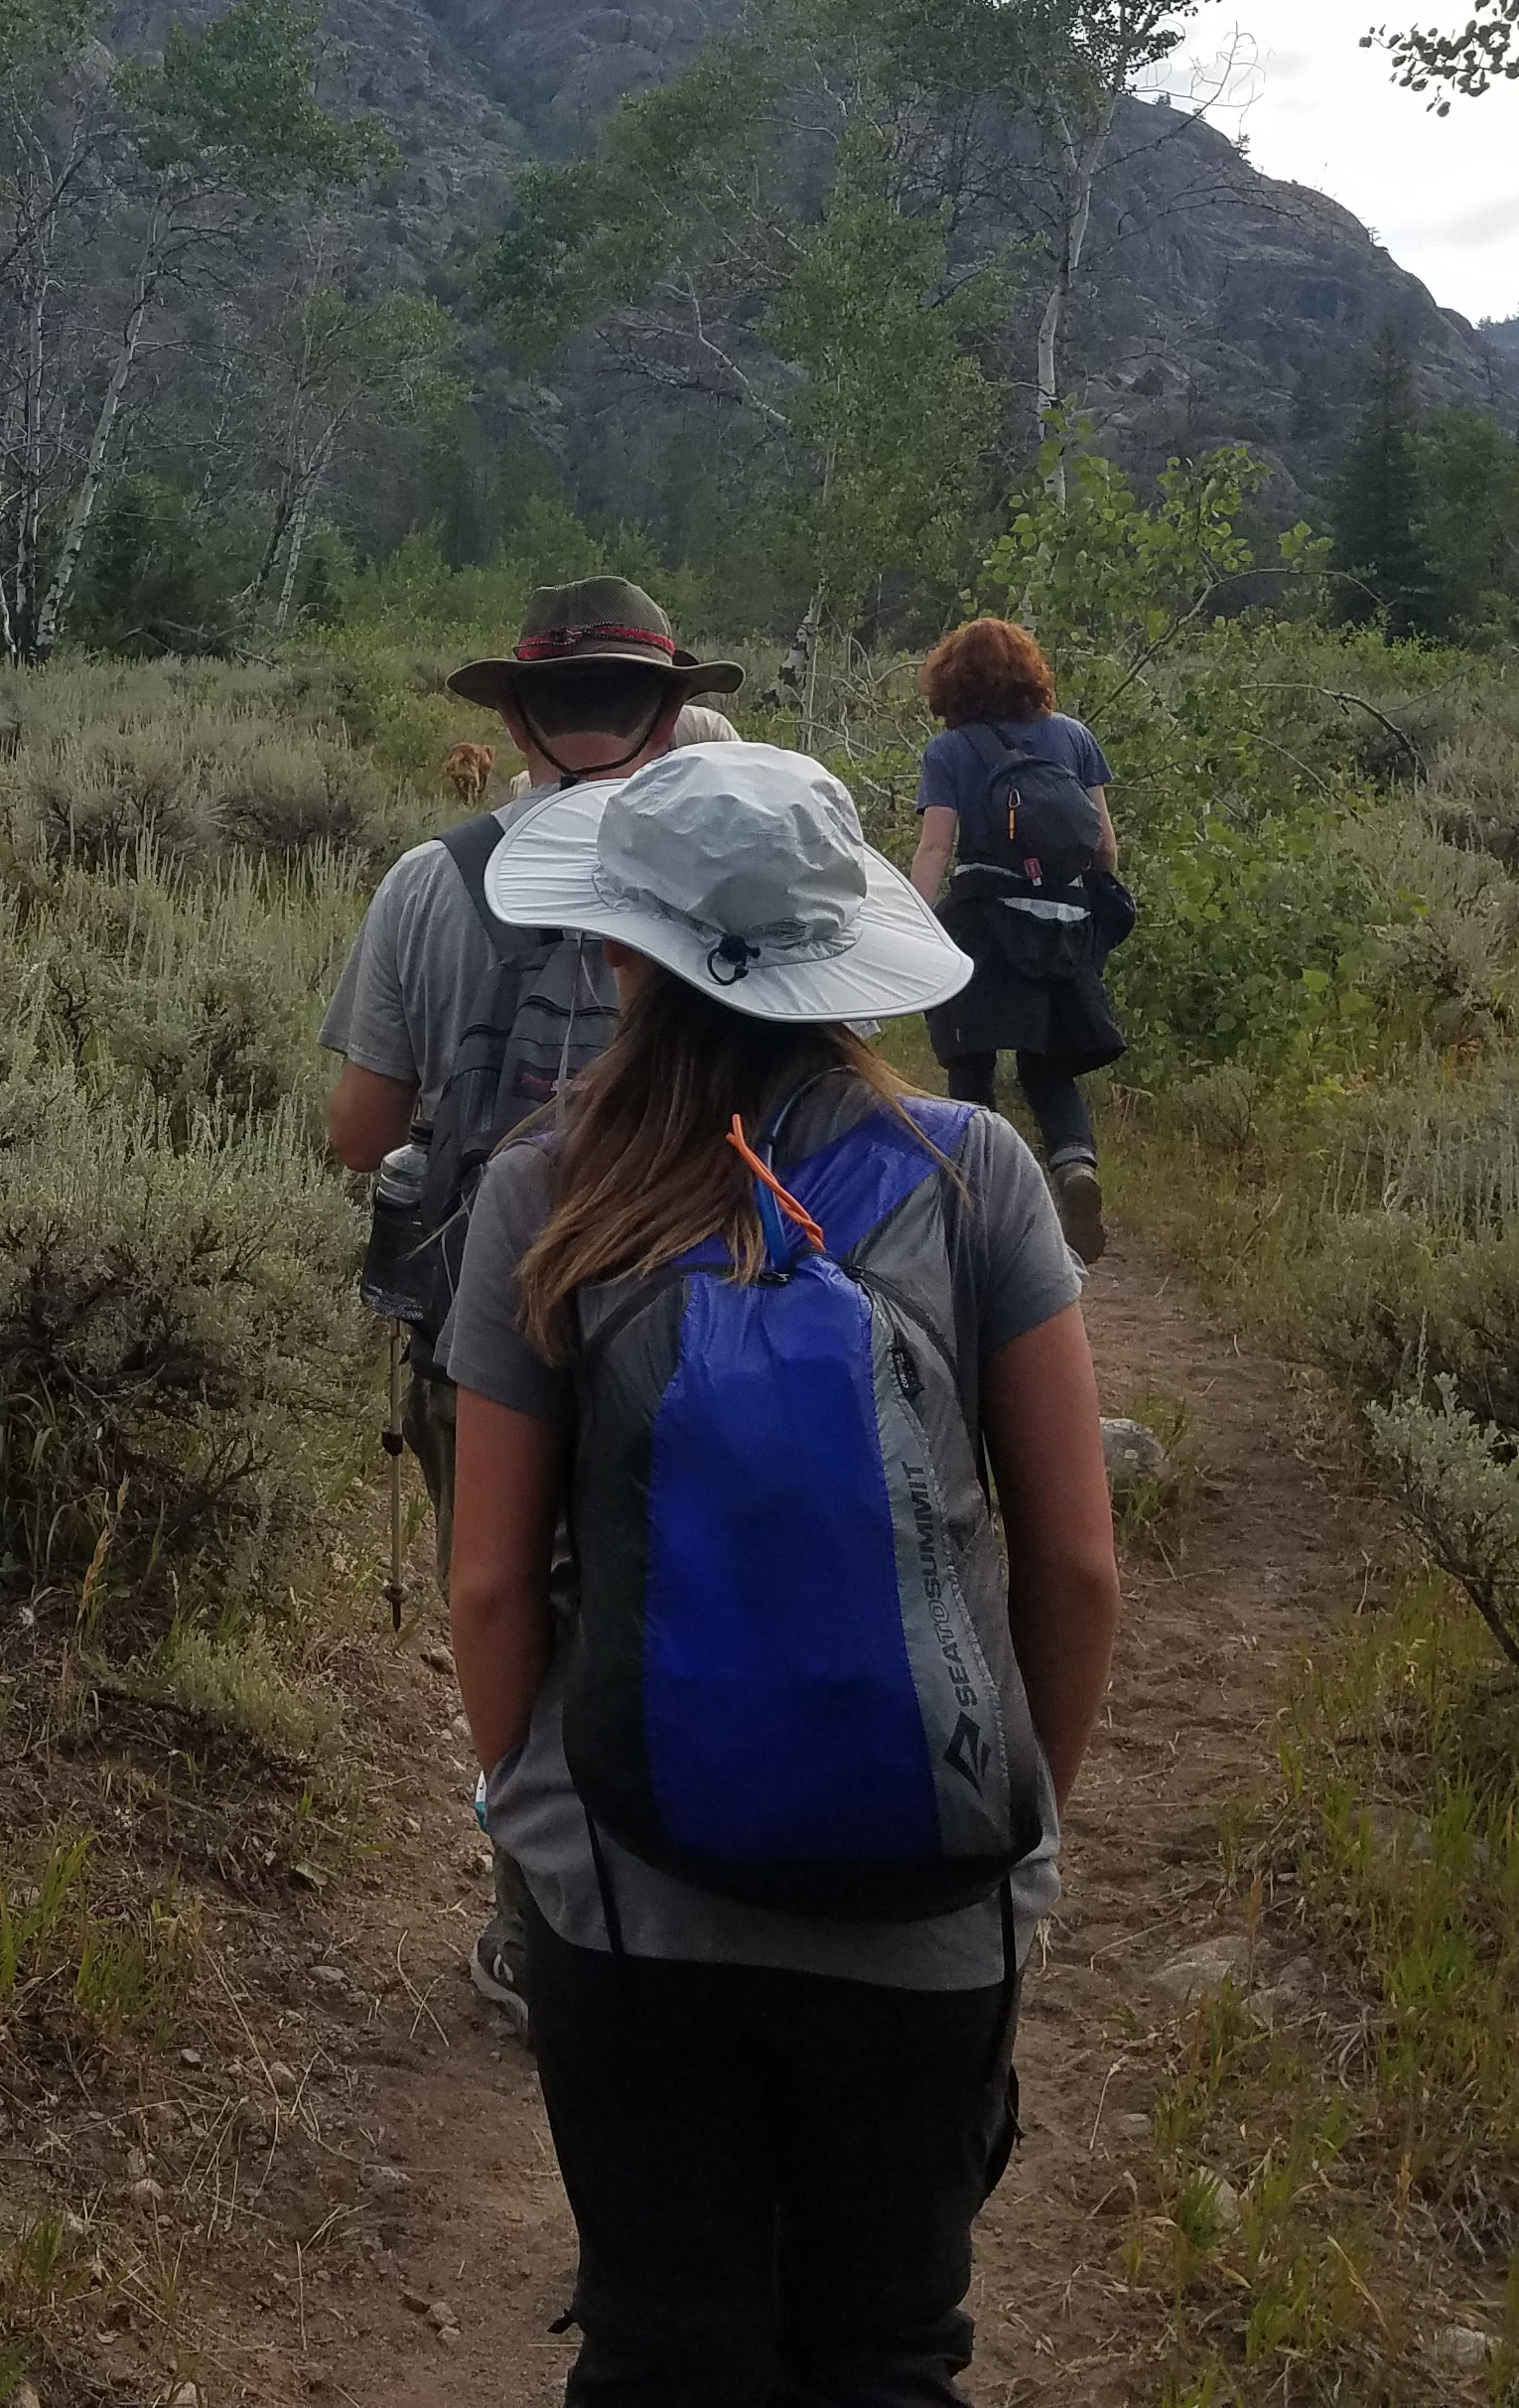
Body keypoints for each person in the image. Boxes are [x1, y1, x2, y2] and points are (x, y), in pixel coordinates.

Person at [441, 741, 1120, 2406]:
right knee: (885, 2350)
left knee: (663, 2339)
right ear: (845, 945)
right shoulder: (978, 1171)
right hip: (928, 1899)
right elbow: (1078, 1560)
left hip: (625, 1889)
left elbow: (483, 1588)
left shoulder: (541, 1184)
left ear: (620, 952)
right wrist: (1004, 1827)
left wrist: (532, 1804)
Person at [319, 574, 743, 2037]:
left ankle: (535, 1927)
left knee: (506, 1601)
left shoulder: (427, 885)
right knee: (671, 1601)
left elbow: (362, 1134)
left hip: (472, 1322)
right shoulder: (726, 875)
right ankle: (704, 1906)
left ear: (515, 719)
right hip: (695, 1323)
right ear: (673, 712)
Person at [907, 616, 1127, 1261]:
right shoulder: (1074, 738)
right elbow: (1105, 847)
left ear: (951, 678)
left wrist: (912, 922)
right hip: (1061, 923)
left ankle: (974, 1200)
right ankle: (1074, 1165)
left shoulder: (950, 752)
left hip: (982, 922)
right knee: (1050, 1065)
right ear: (1032, 672)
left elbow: (935, 848)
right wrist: (1088, 912)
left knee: (969, 1061)